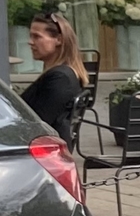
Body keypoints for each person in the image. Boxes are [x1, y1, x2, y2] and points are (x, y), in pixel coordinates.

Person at [21, 11, 89, 146]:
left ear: (59, 39)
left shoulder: (60, 79)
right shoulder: (62, 75)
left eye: (37, 37)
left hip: (44, 154)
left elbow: (39, 124)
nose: (30, 42)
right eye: (31, 36)